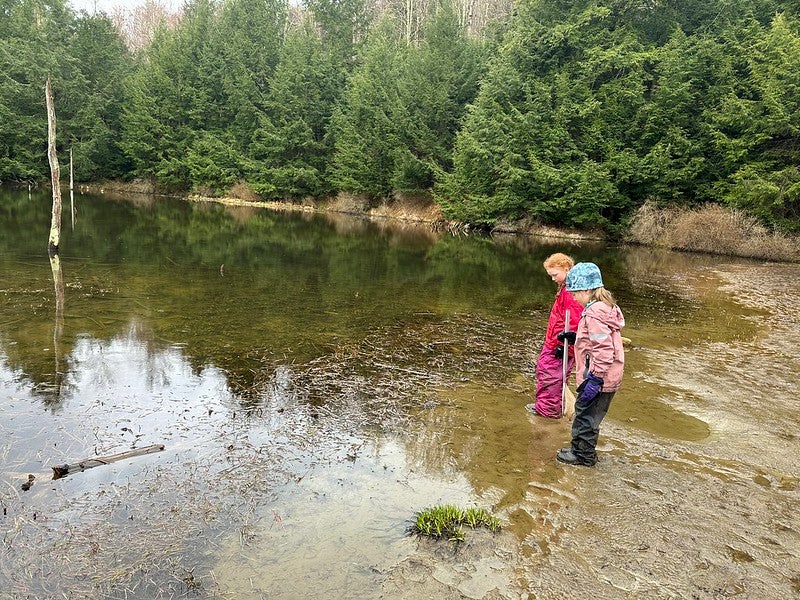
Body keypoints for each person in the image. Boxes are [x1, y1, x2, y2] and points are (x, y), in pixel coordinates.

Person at [555, 262, 625, 467]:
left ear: (587, 289)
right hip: (608, 376)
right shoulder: (607, 308)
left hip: (598, 377)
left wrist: (594, 378)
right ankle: (582, 450)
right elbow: (599, 339)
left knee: (585, 415)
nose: (574, 297)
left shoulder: (594, 313)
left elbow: (603, 350)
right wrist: (576, 336)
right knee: (590, 414)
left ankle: (582, 456)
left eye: (575, 292)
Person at [525, 253, 583, 418]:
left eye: (554, 275)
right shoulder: (567, 287)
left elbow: (574, 322)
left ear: (566, 269)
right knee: (553, 375)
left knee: (549, 375)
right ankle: (551, 407)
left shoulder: (571, 292)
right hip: (557, 340)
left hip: (560, 343)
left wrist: (564, 346)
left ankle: (548, 411)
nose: (553, 279)